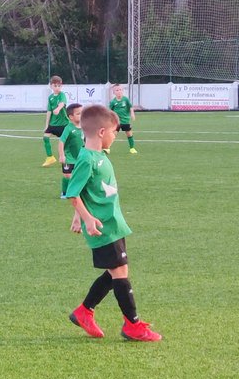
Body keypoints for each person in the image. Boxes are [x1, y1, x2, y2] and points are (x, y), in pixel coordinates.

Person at [65, 105, 161, 342]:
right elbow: (72, 193)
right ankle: (133, 325)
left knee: (115, 272)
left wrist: (78, 216)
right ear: (100, 132)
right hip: (102, 227)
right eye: (113, 132)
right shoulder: (87, 159)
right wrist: (86, 219)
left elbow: (83, 191)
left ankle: (84, 311)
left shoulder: (100, 156)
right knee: (120, 273)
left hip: (114, 223)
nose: (115, 137)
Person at [57, 103, 84, 198]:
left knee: (81, 174)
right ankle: (64, 192)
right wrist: (61, 155)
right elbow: (61, 141)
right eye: (78, 113)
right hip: (69, 156)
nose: (82, 115)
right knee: (67, 175)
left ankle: (77, 191)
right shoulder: (68, 128)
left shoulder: (85, 127)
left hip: (80, 156)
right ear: (71, 117)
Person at [41, 76, 68, 167]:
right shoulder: (50, 97)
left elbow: (62, 103)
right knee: (45, 137)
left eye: (59, 86)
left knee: (67, 142)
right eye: (55, 86)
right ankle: (50, 157)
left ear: (61, 86)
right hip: (53, 123)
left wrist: (58, 109)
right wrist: (46, 125)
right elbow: (49, 112)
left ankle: (70, 157)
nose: (57, 88)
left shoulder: (62, 95)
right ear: (51, 86)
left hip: (63, 123)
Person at [108, 84, 137, 154]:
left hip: (125, 121)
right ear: (114, 92)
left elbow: (130, 107)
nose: (119, 91)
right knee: (113, 135)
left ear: (122, 91)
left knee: (129, 134)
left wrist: (132, 113)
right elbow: (110, 111)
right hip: (116, 122)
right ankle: (107, 148)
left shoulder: (125, 99)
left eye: (120, 90)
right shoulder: (113, 102)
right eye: (117, 90)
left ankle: (132, 148)